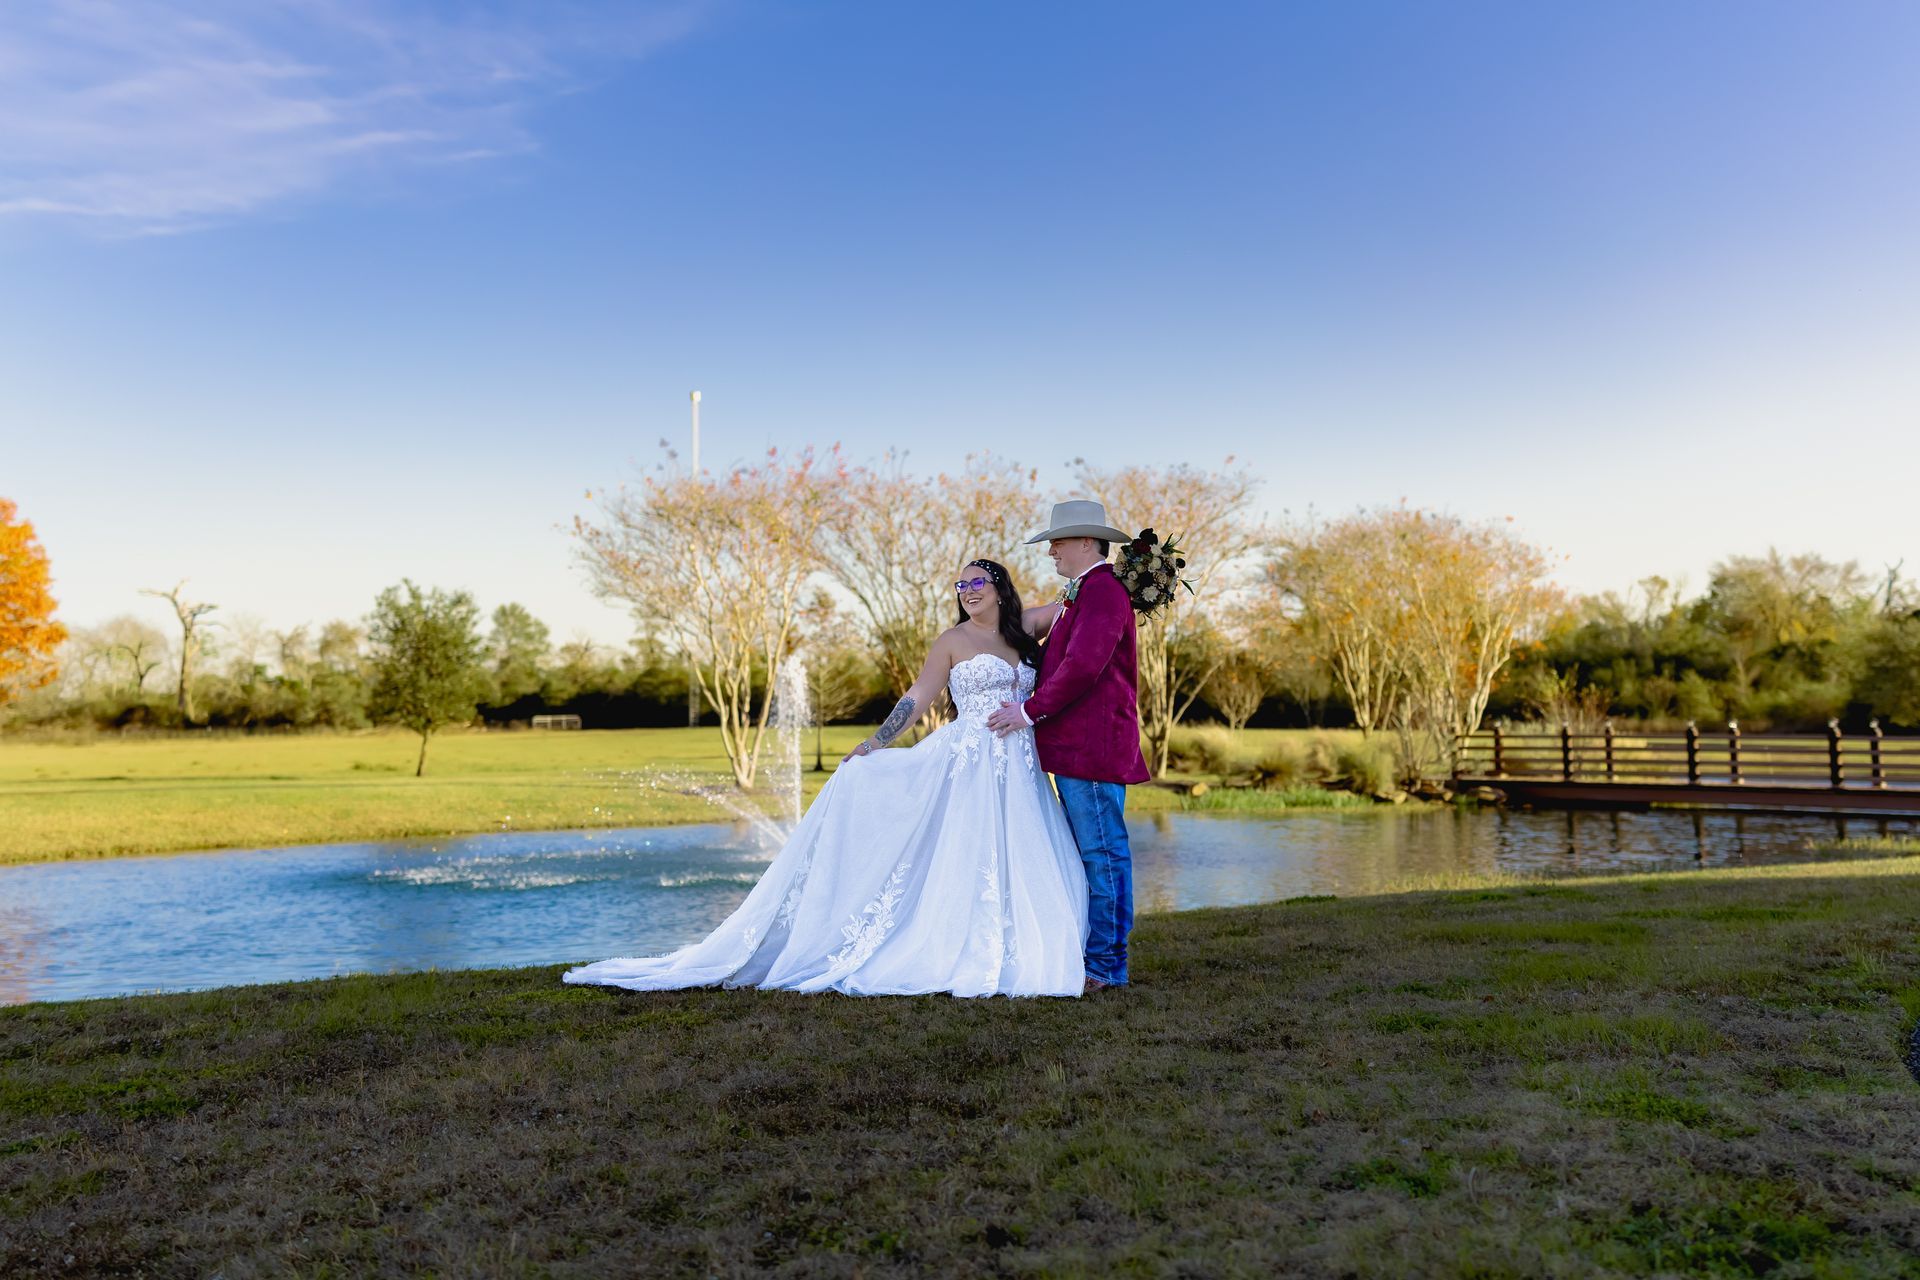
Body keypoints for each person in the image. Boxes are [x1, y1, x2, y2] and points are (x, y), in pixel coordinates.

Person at [563, 559, 1089, 998]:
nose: (968, 590)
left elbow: (1079, 592)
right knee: (963, 850)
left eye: (977, 581)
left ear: (998, 587)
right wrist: (875, 743)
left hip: (1018, 765)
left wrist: (1133, 574)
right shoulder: (950, 641)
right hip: (968, 761)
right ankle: (954, 944)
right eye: (961, 585)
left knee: (1021, 850)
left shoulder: (1026, 629)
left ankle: (1022, 944)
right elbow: (916, 699)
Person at [986, 500, 1150, 994]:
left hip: (1093, 748)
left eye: (1058, 540)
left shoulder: (1102, 590)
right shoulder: (1085, 593)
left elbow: (1084, 666)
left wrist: (1028, 710)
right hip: (1080, 748)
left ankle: (1105, 966)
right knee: (1092, 855)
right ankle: (1095, 957)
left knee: (1103, 855)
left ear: (1085, 542)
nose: (1051, 549)